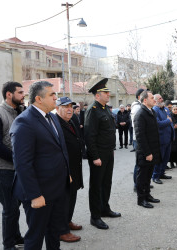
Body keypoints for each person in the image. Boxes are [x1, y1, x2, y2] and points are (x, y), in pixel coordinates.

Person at [10, 81, 70, 250]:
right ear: (38, 98)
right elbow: (22, 163)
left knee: (54, 232)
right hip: (39, 192)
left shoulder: (51, 116)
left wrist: (67, 173)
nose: (56, 98)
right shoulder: (24, 122)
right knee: (35, 236)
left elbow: (60, 148)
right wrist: (35, 195)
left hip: (56, 188)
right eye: (52, 95)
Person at [0, 81, 25, 250]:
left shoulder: (21, 111)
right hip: (2, 168)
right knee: (9, 208)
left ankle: (16, 237)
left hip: (18, 167)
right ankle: (8, 245)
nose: (23, 95)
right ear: (9, 94)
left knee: (16, 206)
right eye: (20, 92)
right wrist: (19, 159)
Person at [84, 76, 120, 230]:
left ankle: (105, 208)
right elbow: (89, 136)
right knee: (96, 186)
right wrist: (95, 156)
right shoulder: (92, 110)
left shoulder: (105, 109)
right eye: (105, 93)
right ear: (97, 95)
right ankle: (95, 216)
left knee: (106, 183)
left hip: (108, 153)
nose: (108, 94)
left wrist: (111, 150)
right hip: (98, 155)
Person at [55, 97, 83, 243]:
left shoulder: (73, 120)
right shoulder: (54, 123)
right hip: (63, 169)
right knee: (63, 199)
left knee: (72, 196)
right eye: (65, 106)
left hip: (74, 166)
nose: (69, 109)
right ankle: (62, 230)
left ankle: (68, 221)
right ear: (57, 108)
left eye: (71, 106)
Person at [134, 90, 161, 208]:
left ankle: (147, 195)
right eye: (151, 98)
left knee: (148, 175)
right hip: (145, 152)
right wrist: (147, 153)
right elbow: (140, 136)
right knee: (142, 176)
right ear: (145, 100)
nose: (154, 100)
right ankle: (141, 199)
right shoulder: (140, 114)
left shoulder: (151, 112)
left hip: (152, 149)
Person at [152, 94, 174, 184]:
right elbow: (158, 124)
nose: (162, 99)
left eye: (161, 98)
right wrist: (168, 121)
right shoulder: (155, 110)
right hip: (161, 139)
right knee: (159, 158)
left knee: (166, 158)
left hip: (168, 138)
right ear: (156, 100)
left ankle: (161, 173)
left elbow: (170, 119)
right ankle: (155, 176)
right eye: (160, 98)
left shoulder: (164, 109)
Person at [130, 88, 145, 190]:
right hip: (138, 138)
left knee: (143, 163)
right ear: (140, 96)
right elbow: (137, 125)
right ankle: (137, 184)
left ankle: (142, 183)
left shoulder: (140, 106)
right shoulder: (136, 107)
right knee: (139, 163)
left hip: (140, 137)